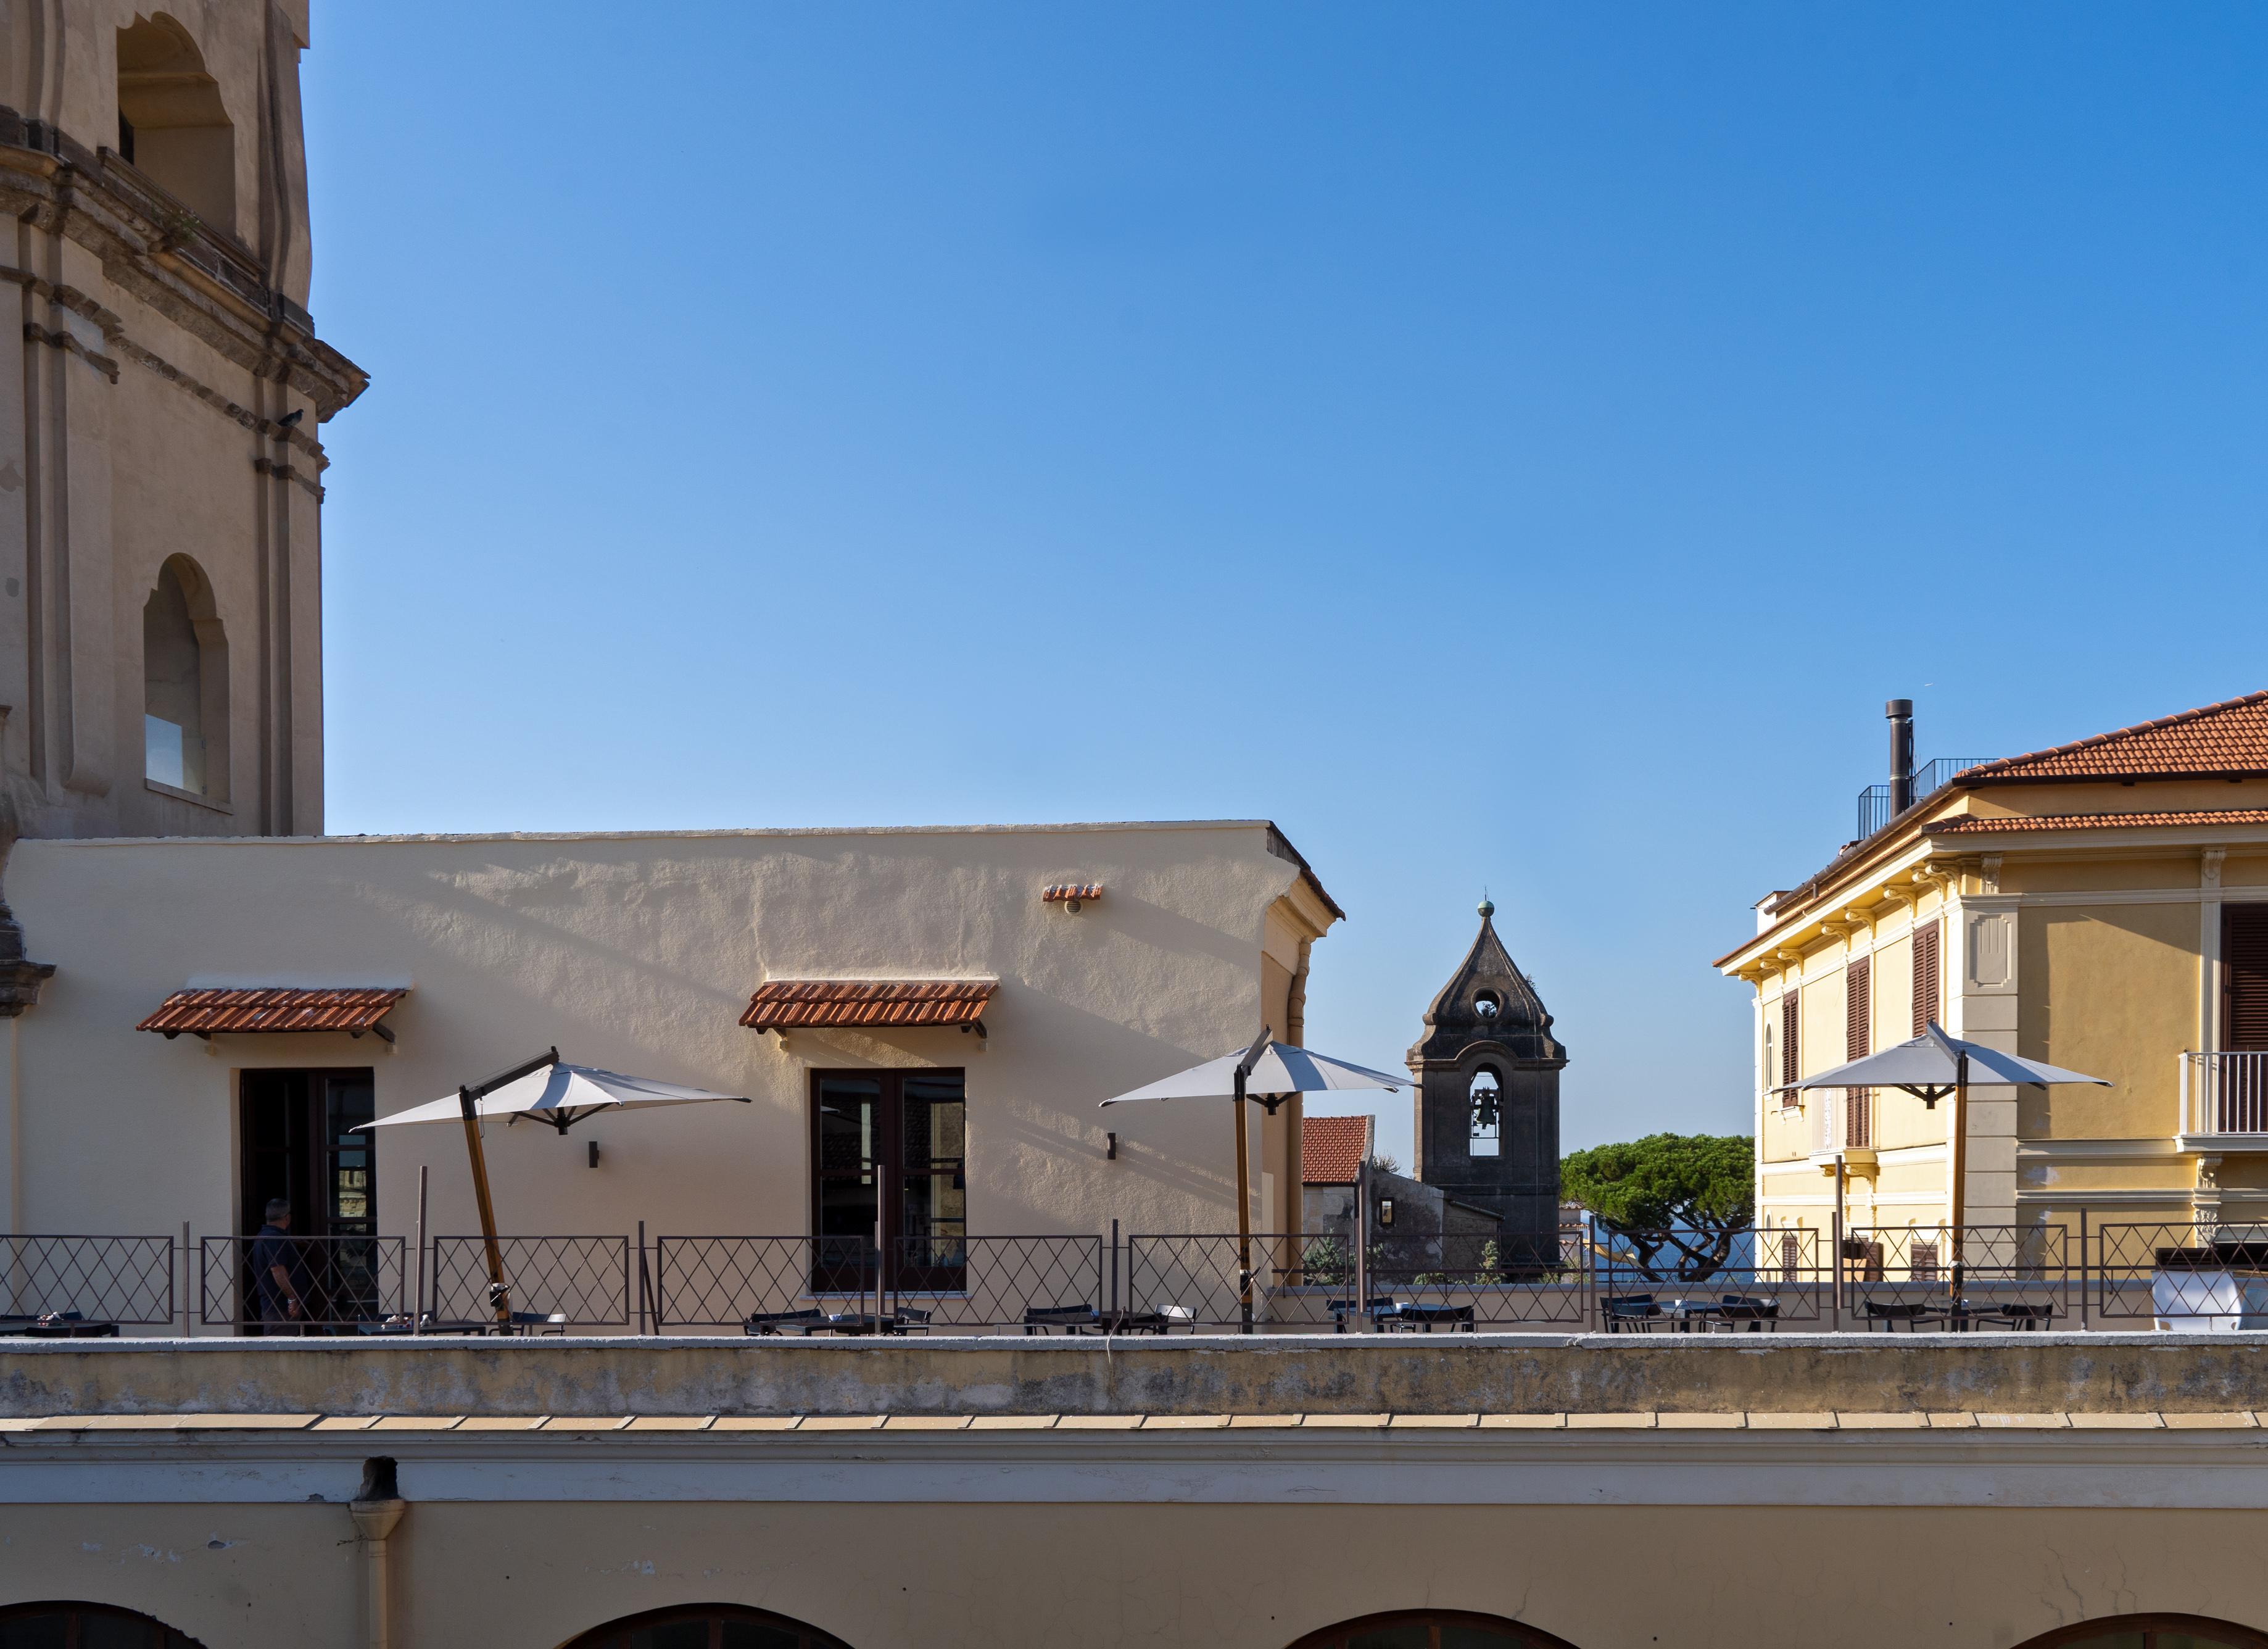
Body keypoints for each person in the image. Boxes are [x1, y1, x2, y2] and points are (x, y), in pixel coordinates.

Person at [249, 1198, 308, 1332]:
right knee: (279, 1347)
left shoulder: (267, 1236)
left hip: (276, 1306)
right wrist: (292, 1299)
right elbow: (278, 1271)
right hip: (280, 1308)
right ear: (287, 1218)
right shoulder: (274, 1238)